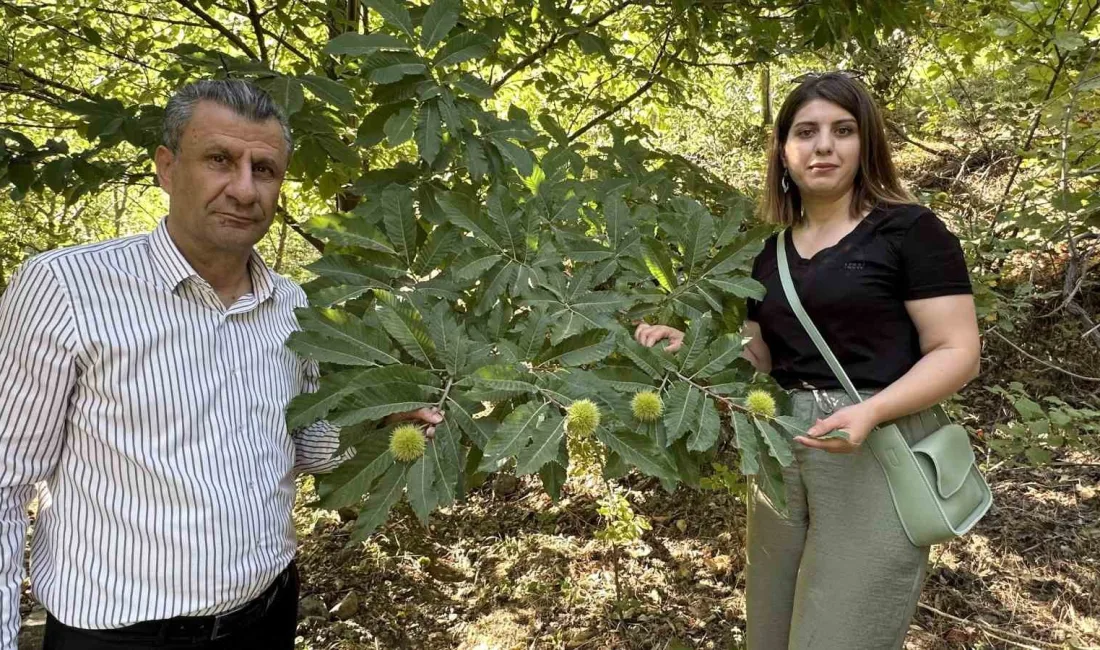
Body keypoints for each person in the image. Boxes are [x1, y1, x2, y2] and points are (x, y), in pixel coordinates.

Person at [0, 79, 442, 650]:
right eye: (219, 160)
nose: (243, 188)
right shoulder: (64, 288)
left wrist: (383, 419)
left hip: (267, 613)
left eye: (265, 169)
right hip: (119, 635)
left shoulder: (293, 306)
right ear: (166, 167)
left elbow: (302, 443)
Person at [634, 71, 980, 649]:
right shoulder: (766, 254)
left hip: (874, 447)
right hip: (781, 449)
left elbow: (958, 352)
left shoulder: (910, 231)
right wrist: (689, 345)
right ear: (784, 151)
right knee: (770, 630)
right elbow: (760, 360)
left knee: (842, 633)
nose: (824, 146)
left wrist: (871, 412)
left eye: (843, 130)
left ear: (866, 143)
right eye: (806, 131)